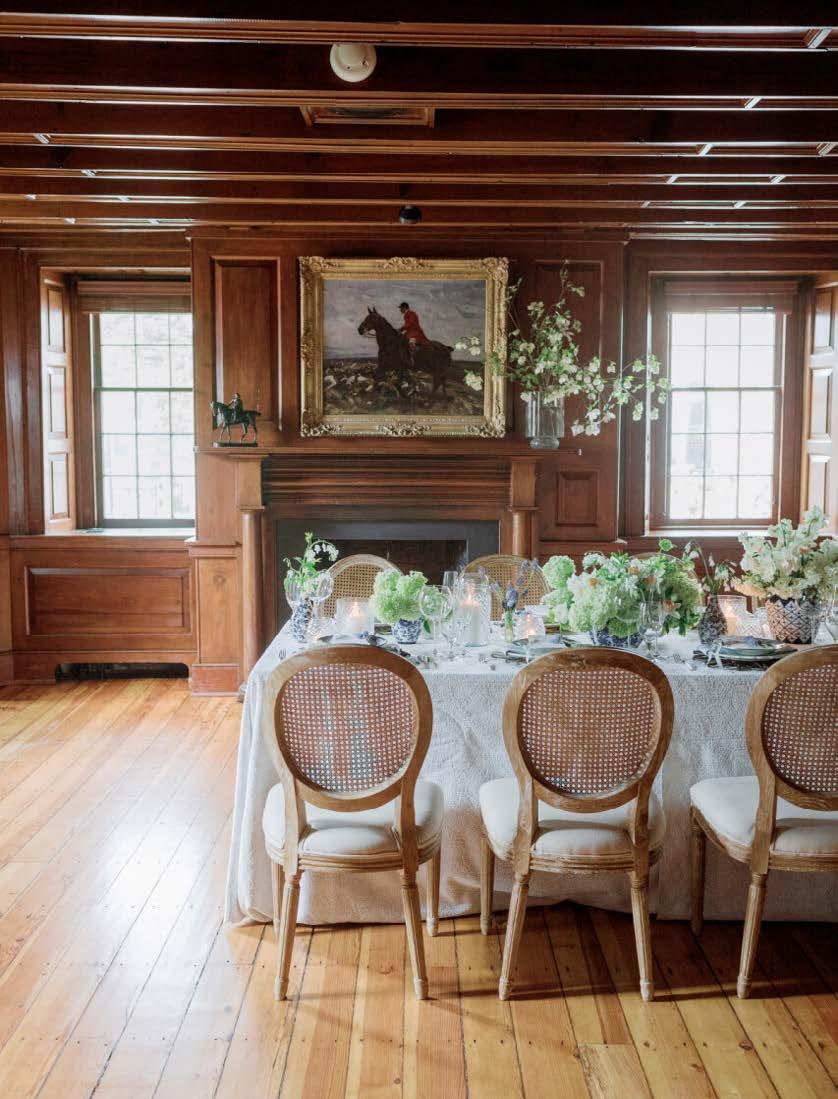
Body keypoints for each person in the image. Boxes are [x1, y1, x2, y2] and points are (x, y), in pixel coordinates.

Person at [398, 301, 430, 366]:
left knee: (411, 343)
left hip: (415, 332)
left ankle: (413, 359)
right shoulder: (406, 314)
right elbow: (407, 325)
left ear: (404, 308)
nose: (400, 310)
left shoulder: (411, 314)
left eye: (401, 308)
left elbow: (410, 323)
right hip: (410, 332)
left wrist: (401, 329)